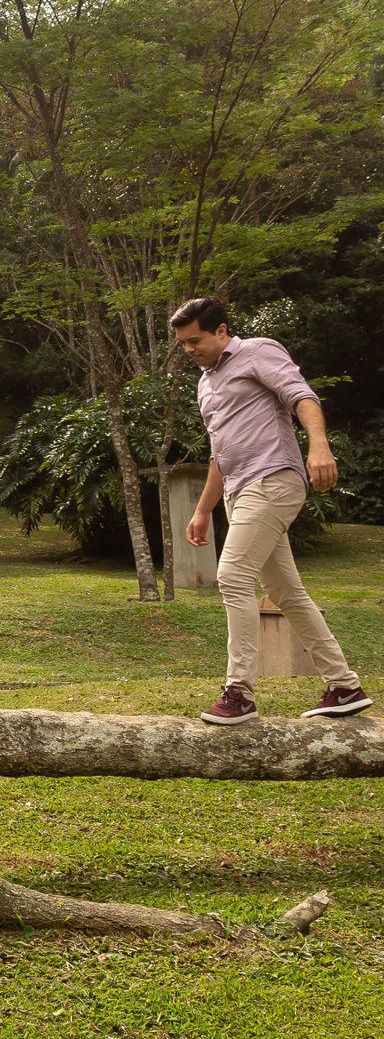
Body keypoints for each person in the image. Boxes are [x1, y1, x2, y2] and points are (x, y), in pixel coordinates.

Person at [173, 298, 367, 725]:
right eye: (183, 343)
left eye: (195, 340)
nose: (189, 350)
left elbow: (303, 397)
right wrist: (203, 510)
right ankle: (344, 686)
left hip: (273, 479)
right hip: (239, 491)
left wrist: (319, 446)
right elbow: (220, 453)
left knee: (232, 575)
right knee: (285, 592)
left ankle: (239, 692)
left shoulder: (258, 351)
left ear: (221, 330)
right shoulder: (206, 383)